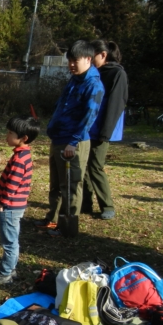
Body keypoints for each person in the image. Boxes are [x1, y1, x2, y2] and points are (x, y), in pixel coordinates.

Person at [34, 40, 104, 236]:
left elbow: (89, 117)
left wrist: (73, 142)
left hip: (73, 142)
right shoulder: (75, 79)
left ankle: (67, 228)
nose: (71, 65)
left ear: (88, 59)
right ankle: (53, 218)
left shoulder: (93, 84)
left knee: (71, 185)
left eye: (75, 61)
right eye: (69, 61)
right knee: (56, 183)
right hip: (58, 138)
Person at [0, 116, 40, 284]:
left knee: (9, 241)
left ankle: (6, 273)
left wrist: (3, 203)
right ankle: (9, 269)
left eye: (10, 133)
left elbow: (12, 186)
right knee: (11, 239)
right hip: (15, 206)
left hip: (11, 208)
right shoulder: (23, 155)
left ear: (24, 138)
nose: (7, 136)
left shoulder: (18, 160)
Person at [82, 40, 128, 220]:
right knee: (85, 165)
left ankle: (107, 205)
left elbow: (116, 104)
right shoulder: (94, 74)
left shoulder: (117, 74)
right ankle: (85, 203)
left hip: (102, 129)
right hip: (88, 127)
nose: (89, 60)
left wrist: (105, 132)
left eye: (91, 56)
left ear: (103, 54)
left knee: (95, 166)